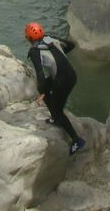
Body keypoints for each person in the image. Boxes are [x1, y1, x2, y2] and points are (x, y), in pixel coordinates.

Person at [25, 22, 85, 155]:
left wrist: (41, 93)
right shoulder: (49, 38)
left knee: (56, 108)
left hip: (62, 81)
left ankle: (76, 140)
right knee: (46, 89)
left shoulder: (35, 51)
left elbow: (40, 75)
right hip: (71, 74)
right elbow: (71, 45)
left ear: (28, 38)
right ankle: (55, 117)